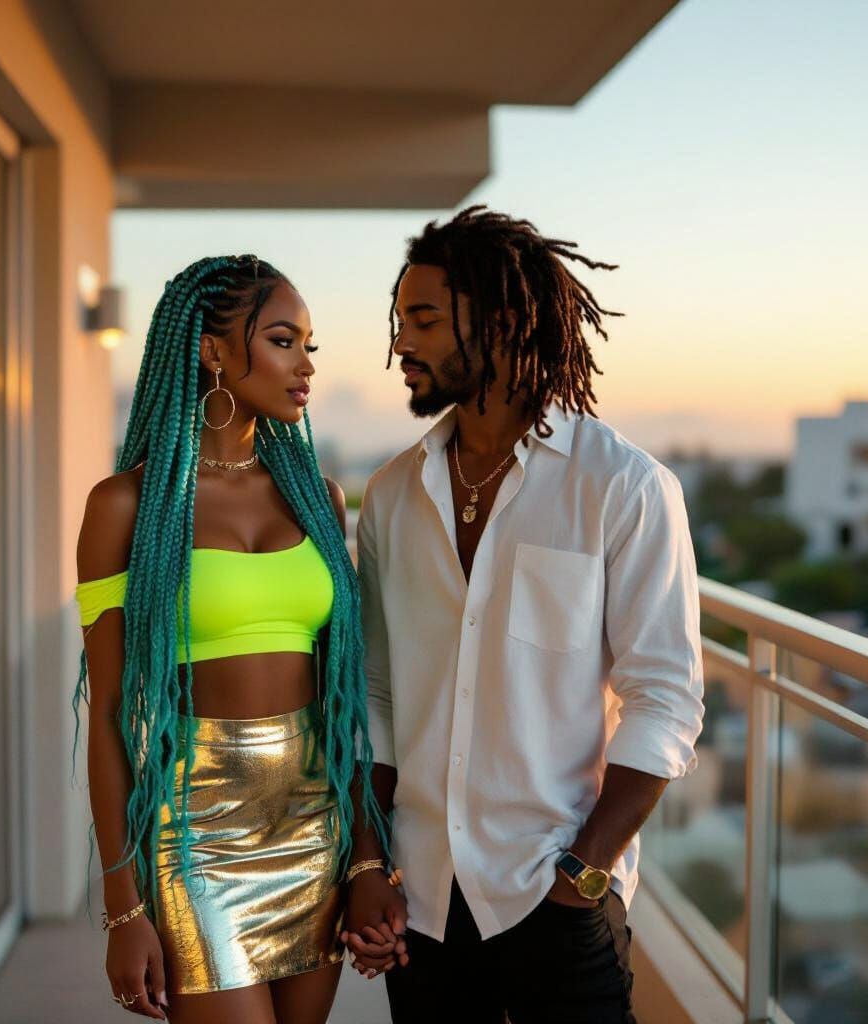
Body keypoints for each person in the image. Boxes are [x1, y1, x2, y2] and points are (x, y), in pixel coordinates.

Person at [343, 206, 706, 1022]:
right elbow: (375, 695)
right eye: (401, 321)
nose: (402, 343)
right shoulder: (395, 493)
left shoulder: (623, 487)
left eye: (425, 319)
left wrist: (584, 874)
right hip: (425, 903)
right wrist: (369, 861)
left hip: (556, 896)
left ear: (504, 320)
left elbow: (666, 698)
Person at [70, 255, 390, 1024]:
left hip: (316, 825)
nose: (306, 365)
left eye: (311, 345)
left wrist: (369, 858)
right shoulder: (127, 508)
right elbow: (111, 716)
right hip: (195, 835)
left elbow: (346, 699)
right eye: (285, 340)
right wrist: (123, 907)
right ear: (213, 351)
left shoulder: (319, 497)